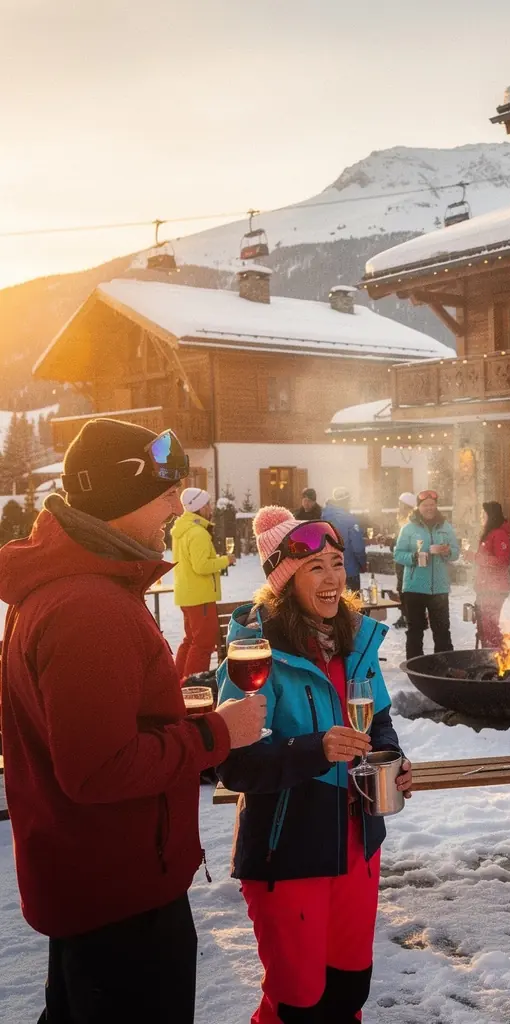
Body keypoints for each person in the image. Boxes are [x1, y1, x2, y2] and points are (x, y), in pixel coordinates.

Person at [0, 417, 265, 1024]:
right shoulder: (88, 607)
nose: (178, 505)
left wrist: (172, 707)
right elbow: (97, 769)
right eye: (166, 491)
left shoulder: (78, 589)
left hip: (92, 881)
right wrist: (217, 732)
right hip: (119, 896)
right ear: (122, 499)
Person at [217, 506, 412, 1022]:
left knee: (348, 994)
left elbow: (380, 722)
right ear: (284, 580)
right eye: (315, 568)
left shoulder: (357, 641)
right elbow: (232, 766)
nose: (332, 579)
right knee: (297, 1004)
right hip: (289, 850)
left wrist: (394, 760)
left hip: (357, 844)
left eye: (336, 563)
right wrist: (314, 748)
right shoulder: (254, 654)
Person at [172, 486, 236, 679]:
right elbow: (201, 566)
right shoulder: (198, 533)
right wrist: (226, 560)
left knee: (190, 640)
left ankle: (177, 681)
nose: (210, 508)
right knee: (204, 644)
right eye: (207, 504)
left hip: (186, 594)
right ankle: (193, 685)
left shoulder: (182, 530)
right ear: (199, 507)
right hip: (200, 596)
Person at [393, 490, 458, 660]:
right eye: (425, 505)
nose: (429, 508)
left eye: (432, 505)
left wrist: (446, 551)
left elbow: (456, 553)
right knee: (415, 630)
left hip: (440, 587)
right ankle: (415, 665)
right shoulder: (408, 528)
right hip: (414, 587)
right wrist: (413, 557)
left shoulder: (446, 527)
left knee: (442, 629)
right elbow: (398, 554)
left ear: (436, 506)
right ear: (418, 507)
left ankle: (445, 666)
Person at [472, 501, 510, 648]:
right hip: (485, 587)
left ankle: (496, 656)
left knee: (490, 625)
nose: (481, 516)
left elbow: (502, 561)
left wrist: (476, 557)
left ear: (492, 515)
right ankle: (489, 656)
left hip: (496, 588)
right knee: (484, 625)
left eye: (484, 514)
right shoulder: (490, 533)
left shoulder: (499, 534)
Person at [321, 487, 366, 592]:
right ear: (345, 502)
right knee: (352, 605)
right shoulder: (350, 519)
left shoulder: (324, 518)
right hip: (350, 571)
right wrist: (363, 563)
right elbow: (358, 547)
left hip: (330, 570)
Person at [392, 491, 417, 630]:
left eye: (401, 505)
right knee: (401, 589)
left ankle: (410, 616)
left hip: (407, 561)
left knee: (406, 589)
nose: (398, 507)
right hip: (401, 561)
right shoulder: (402, 519)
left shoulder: (410, 521)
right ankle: (406, 614)